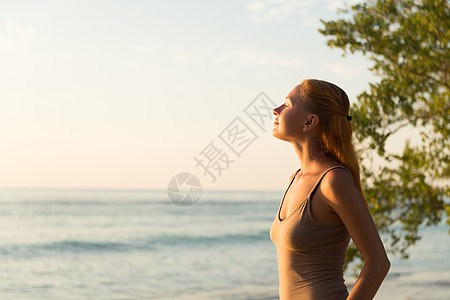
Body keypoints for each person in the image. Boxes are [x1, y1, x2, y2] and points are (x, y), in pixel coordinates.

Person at [269, 79, 390, 300]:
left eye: (286, 105)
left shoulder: (333, 181)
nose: (276, 110)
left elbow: (378, 262)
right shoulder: (294, 179)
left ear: (310, 121)